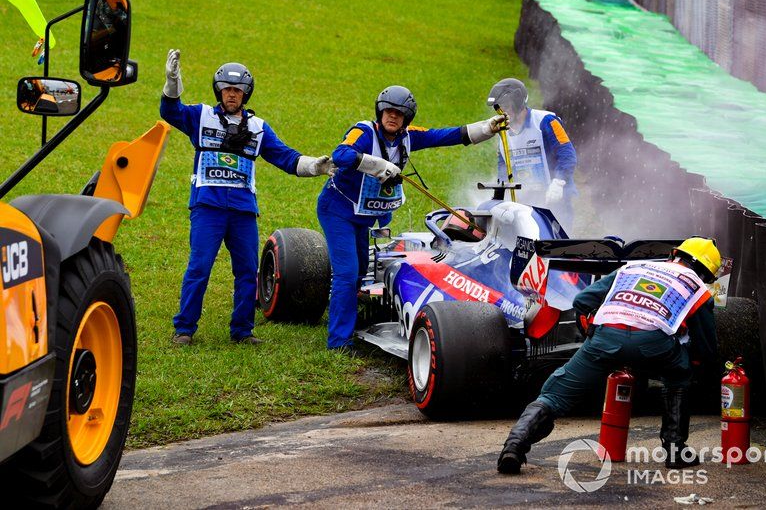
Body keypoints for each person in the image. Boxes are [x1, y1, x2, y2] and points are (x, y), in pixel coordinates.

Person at [497, 237, 721, 473]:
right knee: (679, 375)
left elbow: (581, 301)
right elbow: (706, 348)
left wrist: (590, 335)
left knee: (554, 394)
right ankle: (676, 450)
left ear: (675, 254)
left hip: (606, 337)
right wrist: (692, 365)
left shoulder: (631, 268)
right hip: (654, 344)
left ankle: (513, 447)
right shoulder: (698, 289)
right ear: (705, 273)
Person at [160, 49, 334, 346]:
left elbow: (285, 157)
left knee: (246, 272)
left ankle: (242, 331)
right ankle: (185, 328)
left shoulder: (258, 128)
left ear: (245, 94)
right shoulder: (199, 116)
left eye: (237, 90)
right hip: (207, 207)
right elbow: (170, 112)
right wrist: (172, 80)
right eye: (227, 89)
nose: (232, 95)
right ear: (219, 90)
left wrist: (314, 166)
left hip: (243, 210)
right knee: (199, 267)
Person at [317, 85, 507, 351]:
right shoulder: (363, 131)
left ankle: (347, 313)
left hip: (363, 216)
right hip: (337, 210)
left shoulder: (408, 137)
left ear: (407, 118)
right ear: (380, 112)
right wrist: (378, 165)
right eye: (388, 111)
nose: (393, 117)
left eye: (399, 113)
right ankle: (339, 342)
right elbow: (341, 155)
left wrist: (487, 127)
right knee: (348, 274)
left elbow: (445, 135)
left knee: (360, 271)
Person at [486, 78, 577, 231]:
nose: (502, 112)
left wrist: (558, 182)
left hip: (555, 195)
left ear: (518, 103)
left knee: (557, 243)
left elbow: (568, 155)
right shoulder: (503, 131)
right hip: (526, 200)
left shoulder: (546, 121)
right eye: (499, 108)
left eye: (506, 107)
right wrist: (502, 194)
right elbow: (503, 164)